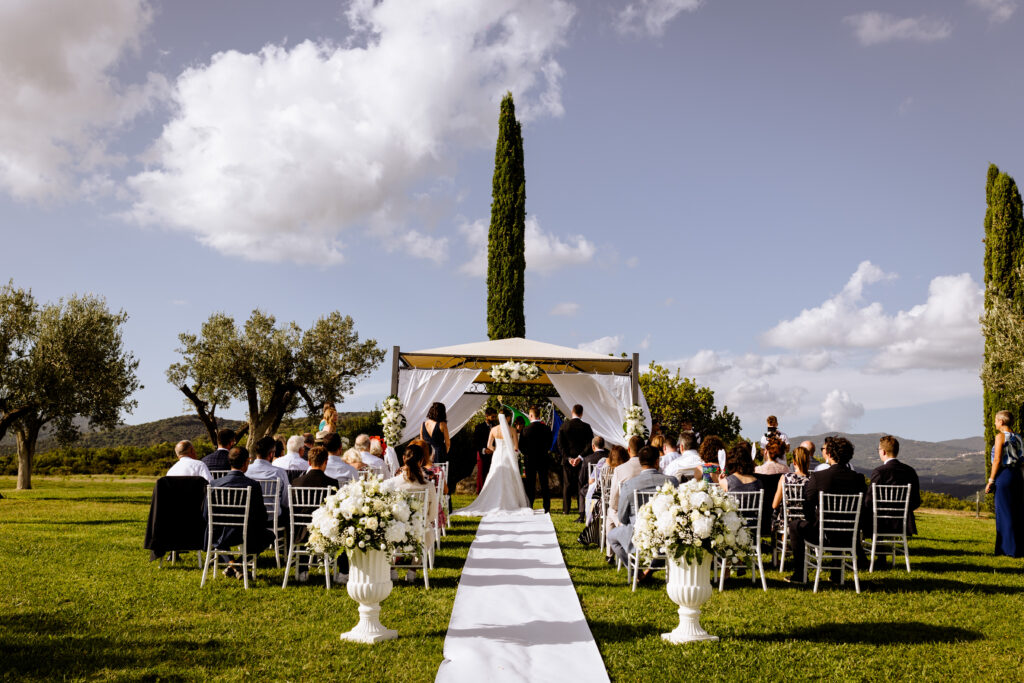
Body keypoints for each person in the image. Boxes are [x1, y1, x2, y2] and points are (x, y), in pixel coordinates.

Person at [786, 436, 868, 582]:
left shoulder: (819, 477)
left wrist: (814, 522)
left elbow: (807, 505)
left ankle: (800, 573)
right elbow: (864, 507)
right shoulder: (858, 479)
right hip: (849, 535)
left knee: (794, 526)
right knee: (837, 526)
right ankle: (836, 574)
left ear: (829, 454)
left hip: (822, 534)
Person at [607, 446, 679, 582]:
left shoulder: (629, 485)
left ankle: (636, 571)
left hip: (637, 535)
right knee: (663, 548)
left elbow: (622, 517)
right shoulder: (672, 482)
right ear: (657, 461)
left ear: (640, 462)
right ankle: (649, 571)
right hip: (665, 535)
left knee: (611, 537)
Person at [209, 447, 275, 577]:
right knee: (269, 536)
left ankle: (233, 564)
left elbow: (206, 514)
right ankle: (239, 565)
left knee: (214, 534)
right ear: (246, 463)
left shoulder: (214, 484)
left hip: (219, 534)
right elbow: (261, 516)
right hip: (245, 533)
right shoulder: (253, 485)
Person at [452, 409, 531, 516]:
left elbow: (489, 445)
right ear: (507, 418)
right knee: (509, 478)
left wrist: (496, 450)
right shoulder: (512, 430)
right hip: (507, 457)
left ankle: (493, 501)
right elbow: (516, 447)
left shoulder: (493, 429)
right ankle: (511, 502)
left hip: (497, 456)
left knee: (494, 477)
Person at [383, 442, 439, 561]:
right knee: (426, 529)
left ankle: (392, 569)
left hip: (394, 530)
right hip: (419, 532)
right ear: (422, 461)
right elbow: (433, 514)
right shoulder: (428, 486)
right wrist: (418, 523)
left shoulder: (390, 484)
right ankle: (412, 570)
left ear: (403, 458)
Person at [864, 435, 922, 539]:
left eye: (879, 449)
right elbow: (916, 500)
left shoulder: (879, 472)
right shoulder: (910, 471)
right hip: (902, 523)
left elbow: (869, 501)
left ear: (883, 451)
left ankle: (877, 551)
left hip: (880, 522)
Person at [987, 411, 1024, 557]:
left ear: (1001, 421)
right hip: (1017, 476)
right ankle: (1018, 548)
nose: (995, 423)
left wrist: (991, 480)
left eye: (996, 421)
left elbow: (996, 460)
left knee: (1004, 512)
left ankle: (1006, 549)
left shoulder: (1000, 436)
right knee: (1017, 512)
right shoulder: (1020, 438)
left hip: (1004, 475)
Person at [557, 404, 595, 515]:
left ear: (572, 412)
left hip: (567, 461)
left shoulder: (564, 426)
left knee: (567, 485)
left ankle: (566, 509)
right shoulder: (586, 427)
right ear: (582, 413)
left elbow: (560, 444)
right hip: (582, 461)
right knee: (581, 484)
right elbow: (590, 445)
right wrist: (579, 457)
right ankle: (581, 509)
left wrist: (568, 458)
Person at [520, 405, 554, 512]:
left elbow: (521, 446)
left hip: (530, 460)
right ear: (539, 415)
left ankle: (530, 505)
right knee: (544, 483)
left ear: (531, 415)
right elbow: (550, 443)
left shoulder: (525, 429)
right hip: (543, 458)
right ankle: (546, 507)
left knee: (530, 483)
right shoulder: (546, 429)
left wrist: (528, 454)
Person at [247, 435, 290, 514]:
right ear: (271, 454)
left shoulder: (246, 471)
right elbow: (286, 502)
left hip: (250, 518)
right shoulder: (280, 473)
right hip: (273, 519)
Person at [772, 445, 811, 531]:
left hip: (787, 523)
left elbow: (775, 504)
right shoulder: (812, 480)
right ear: (808, 462)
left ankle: (781, 541)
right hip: (806, 523)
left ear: (794, 462)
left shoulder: (785, 477)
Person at [608, 435, 645, 525]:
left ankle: (611, 538)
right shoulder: (652, 467)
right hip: (648, 510)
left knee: (610, 511)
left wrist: (617, 509)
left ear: (628, 449)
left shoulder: (619, 469)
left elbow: (614, 500)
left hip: (628, 513)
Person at [578, 435, 609, 516]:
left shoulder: (587, 459)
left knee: (581, 491)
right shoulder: (609, 457)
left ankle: (582, 515)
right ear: (604, 445)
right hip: (608, 488)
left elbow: (582, 478)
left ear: (593, 446)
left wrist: (584, 484)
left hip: (593, 489)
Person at [473, 407, 499, 493]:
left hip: (494, 455)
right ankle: (481, 493)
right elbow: (476, 442)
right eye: (492, 417)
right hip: (482, 455)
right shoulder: (479, 427)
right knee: (482, 475)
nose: (494, 419)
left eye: (495, 417)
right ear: (486, 416)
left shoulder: (497, 427)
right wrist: (484, 450)